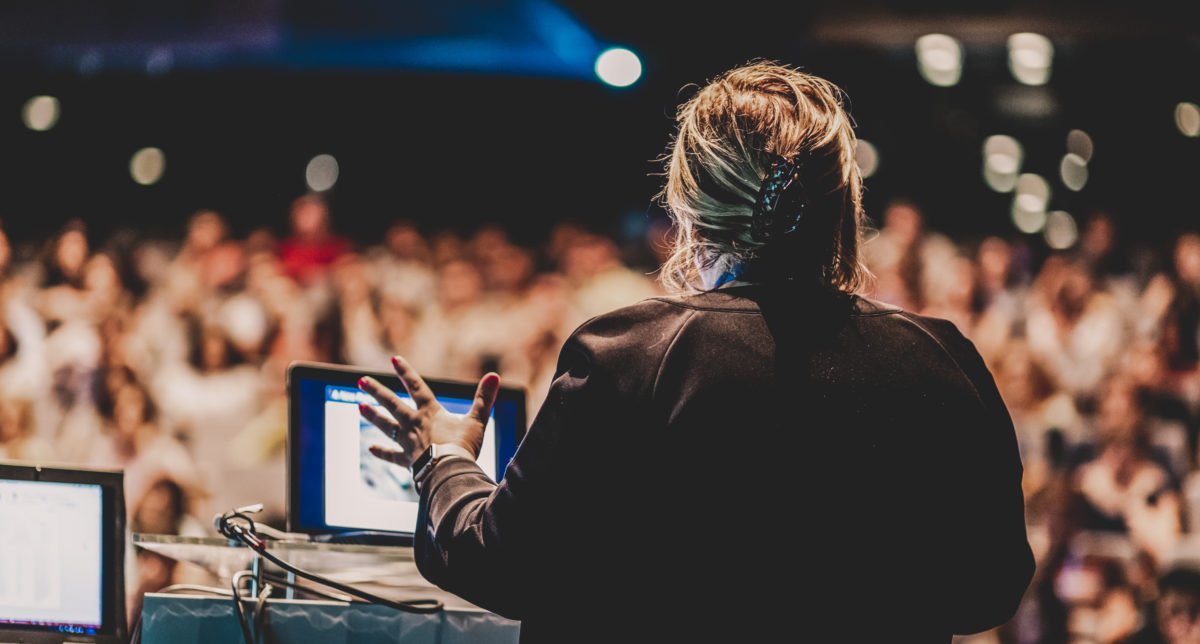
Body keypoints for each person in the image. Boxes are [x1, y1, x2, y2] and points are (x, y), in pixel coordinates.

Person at [357, 60, 1034, 642]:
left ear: (689, 210)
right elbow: (990, 589)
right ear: (843, 207)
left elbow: (502, 563)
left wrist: (441, 458)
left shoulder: (627, 356)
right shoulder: (942, 361)